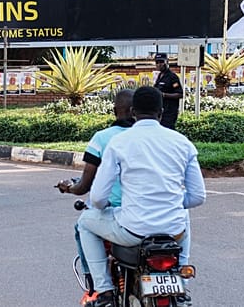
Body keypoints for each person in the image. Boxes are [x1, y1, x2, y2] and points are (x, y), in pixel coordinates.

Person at [77, 87, 206, 307]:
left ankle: (104, 290)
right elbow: (197, 197)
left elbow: (98, 198)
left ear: (133, 112)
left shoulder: (119, 143)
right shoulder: (183, 143)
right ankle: (181, 281)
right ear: (162, 112)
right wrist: (172, 202)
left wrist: (106, 206)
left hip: (133, 231)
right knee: (182, 214)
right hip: (173, 233)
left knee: (85, 224)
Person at [57, 89, 135, 304]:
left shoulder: (104, 139)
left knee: (83, 225)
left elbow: (86, 186)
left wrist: (69, 188)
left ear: (114, 110)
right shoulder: (156, 140)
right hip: (161, 217)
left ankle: (98, 288)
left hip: (118, 214)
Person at [153, 53, 183, 129]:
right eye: (157, 62)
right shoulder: (160, 76)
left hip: (169, 112)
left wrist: (164, 95)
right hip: (160, 111)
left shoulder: (172, 77)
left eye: (161, 62)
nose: (159, 64)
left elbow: (180, 94)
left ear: (167, 62)